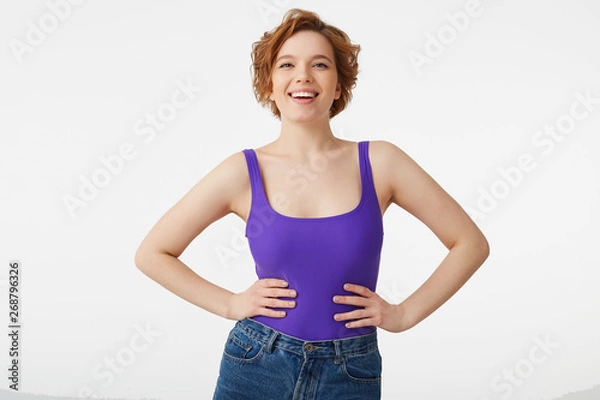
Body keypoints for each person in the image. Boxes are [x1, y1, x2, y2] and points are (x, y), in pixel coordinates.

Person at [134, 8, 490, 400]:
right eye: (287, 64)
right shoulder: (241, 171)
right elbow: (153, 253)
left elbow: (469, 243)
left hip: (350, 369)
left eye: (319, 64)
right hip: (256, 364)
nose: (303, 75)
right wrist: (230, 303)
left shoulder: (381, 162)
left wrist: (403, 314)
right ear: (269, 85)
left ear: (339, 86)